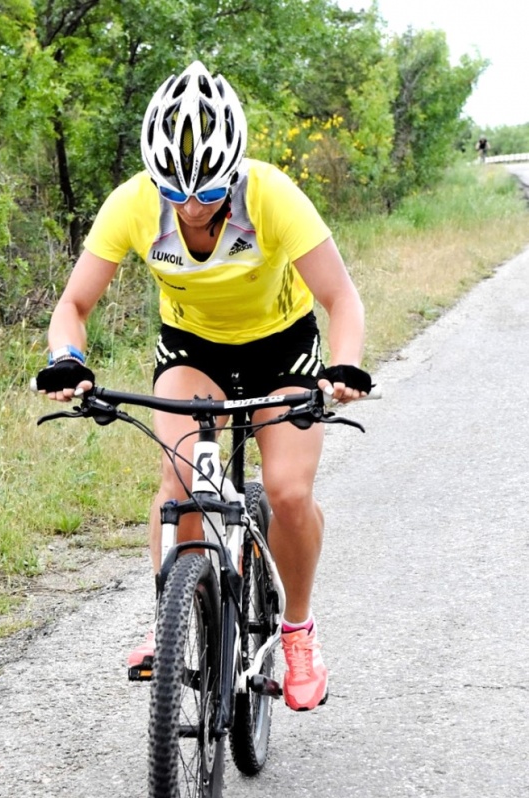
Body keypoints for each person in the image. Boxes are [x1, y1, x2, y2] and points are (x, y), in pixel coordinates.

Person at [39, 60, 370, 712]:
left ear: (236, 171)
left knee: (289, 490)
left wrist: (345, 367)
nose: (191, 208)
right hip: (194, 351)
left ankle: (298, 633)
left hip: (283, 350)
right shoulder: (134, 204)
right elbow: (73, 304)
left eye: (210, 192)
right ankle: (173, 623)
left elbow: (341, 299)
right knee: (181, 480)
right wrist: (67, 358)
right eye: (175, 191)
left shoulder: (273, 194)